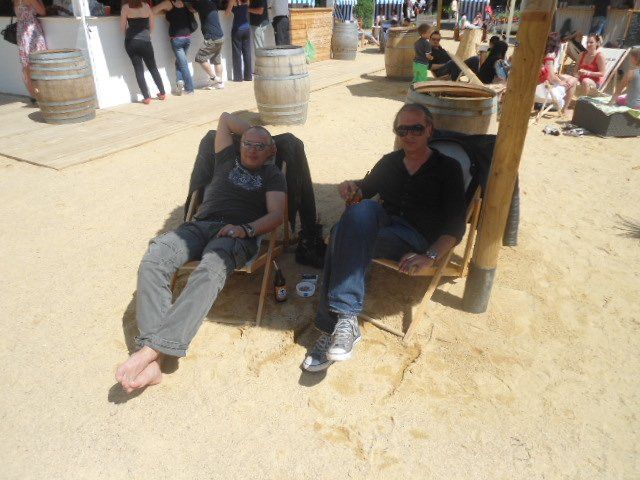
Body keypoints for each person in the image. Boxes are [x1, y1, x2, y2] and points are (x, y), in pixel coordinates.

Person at [116, 112, 287, 393]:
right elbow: (225, 119)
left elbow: (277, 215)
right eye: (248, 143)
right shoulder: (226, 157)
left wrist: (245, 229)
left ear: (271, 151)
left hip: (236, 232)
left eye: (260, 146)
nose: (252, 150)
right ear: (239, 144)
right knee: (155, 259)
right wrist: (257, 133)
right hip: (199, 225)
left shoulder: (273, 175)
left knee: (210, 268)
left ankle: (151, 350)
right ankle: (155, 357)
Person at [302, 103, 466, 372]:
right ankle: (346, 321)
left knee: (341, 234)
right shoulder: (390, 162)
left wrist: (430, 256)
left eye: (416, 128)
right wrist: (351, 189)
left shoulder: (448, 168)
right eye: (402, 130)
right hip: (384, 223)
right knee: (363, 209)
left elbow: (456, 224)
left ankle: (334, 327)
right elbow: (363, 193)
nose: (409, 135)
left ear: (429, 130)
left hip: (414, 237)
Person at [120, 0, 166, 104]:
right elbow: (152, 25)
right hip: (145, 42)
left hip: (131, 42)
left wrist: (129, 37)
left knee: (138, 70)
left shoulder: (125, 8)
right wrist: (147, 35)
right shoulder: (146, 6)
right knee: (153, 68)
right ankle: (162, 93)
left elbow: (122, 27)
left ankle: (146, 97)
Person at [153, 0, 197, 95]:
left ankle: (190, 89)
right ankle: (180, 81)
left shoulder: (168, 3)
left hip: (177, 39)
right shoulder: (185, 3)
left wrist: (164, 11)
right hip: (187, 38)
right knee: (180, 61)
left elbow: (152, 11)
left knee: (183, 64)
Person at [13, 0, 47, 101]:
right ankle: (37, 94)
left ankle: (33, 94)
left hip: (22, 30)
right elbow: (42, 12)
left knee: (26, 64)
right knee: (38, 61)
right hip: (31, 31)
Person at [189, 0, 226, 89]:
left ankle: (214, 78)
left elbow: (191, 9)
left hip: (211, 38)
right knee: (217, 61)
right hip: (219, 36)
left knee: (200, 58)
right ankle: (220, 83)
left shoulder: (201, 3)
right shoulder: (212, 3)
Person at [538, 33, 577, 114]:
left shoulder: (539, 54)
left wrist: (560, 78)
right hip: (544, 93)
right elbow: (551, 78)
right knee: (573, 81)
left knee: (566, 78)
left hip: (535, 89)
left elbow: (547, 72)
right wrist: (560, 82)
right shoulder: (550, 55)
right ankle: (564, 110)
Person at [228, 0, 252, 81]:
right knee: (247, 53)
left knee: (237, 53)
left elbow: (227, 13)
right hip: (247, 28)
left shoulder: (232, 1)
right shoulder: (247, 1)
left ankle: (238, 77)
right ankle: (248, 76)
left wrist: (230, 7)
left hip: (237, 28)